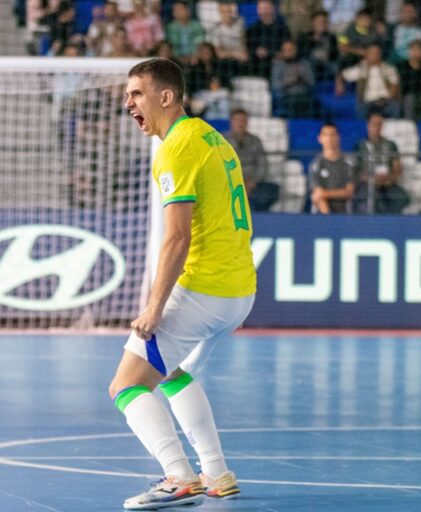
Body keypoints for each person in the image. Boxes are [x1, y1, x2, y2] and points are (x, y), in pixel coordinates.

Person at [114, 58, 256, 510]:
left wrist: (154, 309)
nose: (128, 102)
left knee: (127, 385)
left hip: (203, 289)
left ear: (166, 96)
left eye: (137, 93)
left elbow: (177, 237)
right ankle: (216, 472)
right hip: (240, 291)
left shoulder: (175, 148)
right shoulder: (213, 138)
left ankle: (178, 476)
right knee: (174, 372)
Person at [223, 109, 280, 211]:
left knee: (271, 191)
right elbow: (218, 163)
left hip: (252, 183)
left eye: (243, 120)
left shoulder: (255, 140)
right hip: (227, 182)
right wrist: (233, 181)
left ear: (247, 122)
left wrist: (253, 181)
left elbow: (262, 164)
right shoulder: (222, 140)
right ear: (231, 121)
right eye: (237, 120)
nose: (240, 123)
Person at [354, 112, 410, 213]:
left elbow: (397, 168)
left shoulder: (391, 145)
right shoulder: (359, 145)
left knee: (402, 197)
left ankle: (392, 223)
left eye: (379, 124)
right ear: (368, 125)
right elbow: (355, 170)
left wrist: (389, 179)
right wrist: (371, 179)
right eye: (374, 124)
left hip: (388, 183)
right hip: (368, 183)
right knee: (372, 198)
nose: (377, 127)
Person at [336, 43, 401, 118]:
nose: (374, 55)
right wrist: (339, 85)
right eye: (371, 53)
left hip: (386, 102)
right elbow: (341, 76)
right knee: (361, 108)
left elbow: (395, 85)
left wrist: (388, 99)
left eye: (376, 53)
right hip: (367, 103)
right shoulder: (361, 69)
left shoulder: (389, 69)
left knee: (394, 107)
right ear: (366, 55)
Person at [309, 122, 355, 213]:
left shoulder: (349, 162)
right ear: (320, 139)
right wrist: (329, 219)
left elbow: (349, 192)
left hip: (344, 214)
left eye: (333, 135)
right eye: (325, 135)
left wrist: (325, 193)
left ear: (339, 137)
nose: (329, 138)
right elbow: (318, 195)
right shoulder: (316, 164)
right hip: (322, 215)